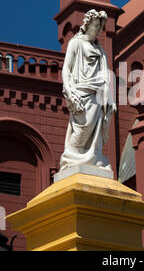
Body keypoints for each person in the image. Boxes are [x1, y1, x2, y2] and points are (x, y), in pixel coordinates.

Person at [60, 9, 116, 172]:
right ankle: (71, 157)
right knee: (83, 126)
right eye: (96, 25)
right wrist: (69, 90)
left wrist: (110, 98)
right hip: (81, 91)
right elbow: (66, 69)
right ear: (88, 24)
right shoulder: (76, 43)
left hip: (98, 93)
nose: (98, 30)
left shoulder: (100, 50)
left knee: (95, 130)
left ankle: (92, 156)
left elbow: (105, 75)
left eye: (100, 26)